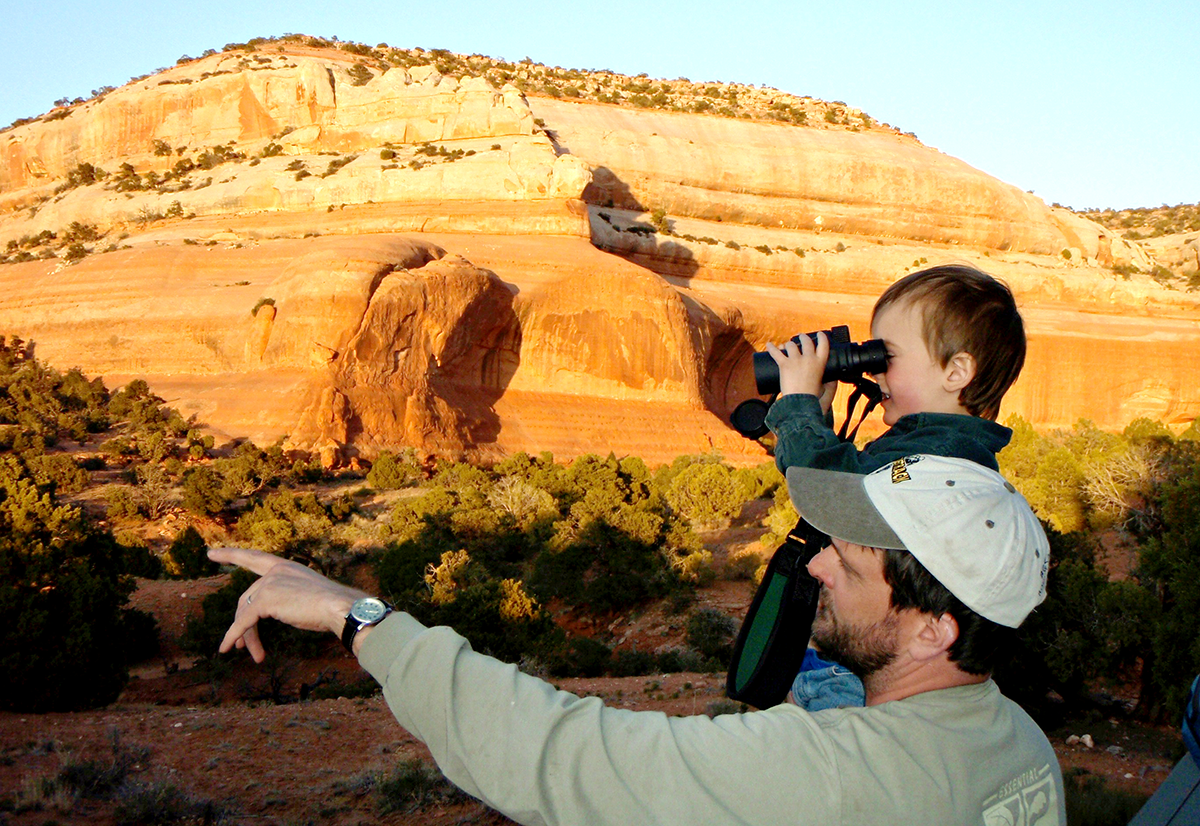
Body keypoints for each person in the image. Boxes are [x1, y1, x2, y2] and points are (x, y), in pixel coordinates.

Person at [212, 453, 1064, 826]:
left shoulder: (833, 775)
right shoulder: (1020, 746)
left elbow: (562, 756)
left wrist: (352, 614)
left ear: (933, 628)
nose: (815, 571)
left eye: (848, 558)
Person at [764, 263, 1027, 711]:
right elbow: (851, 479)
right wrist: (818, 416)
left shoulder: (936, 457)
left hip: (861, 675)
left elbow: (828, 491)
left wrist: (797, 407)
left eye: (887, 357)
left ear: (956, 372)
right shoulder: (936, 447)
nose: (877, 372)